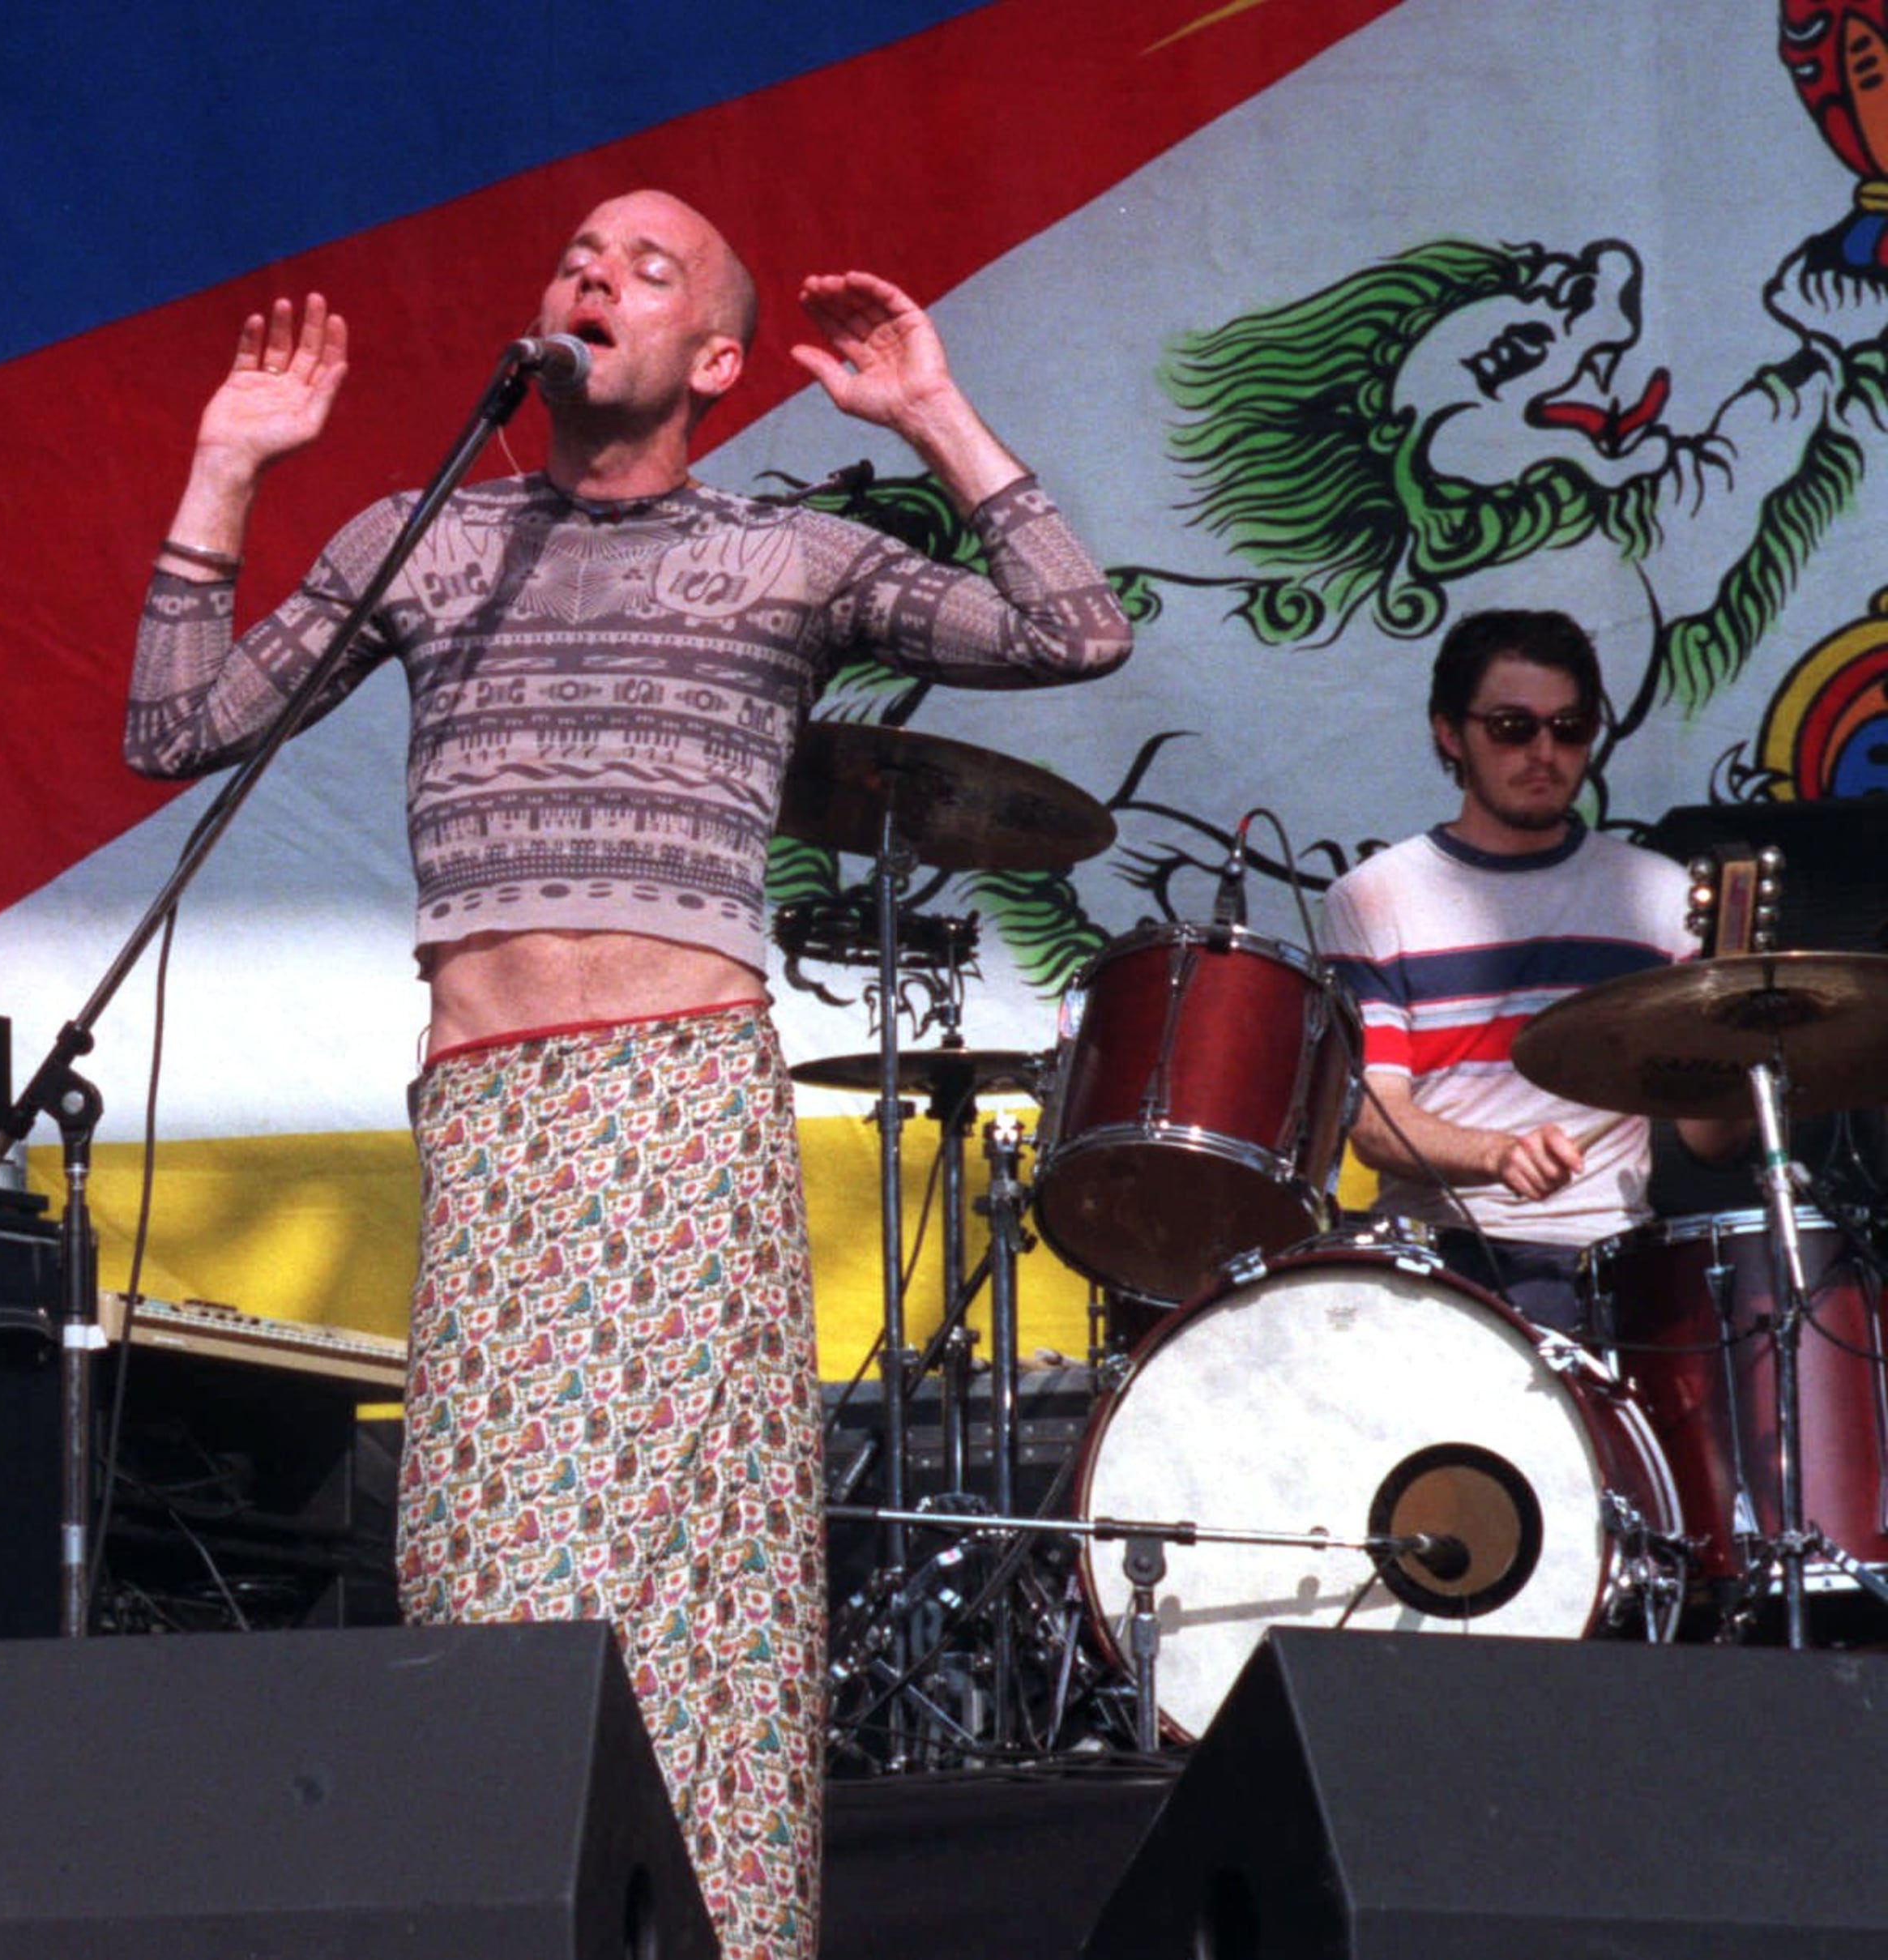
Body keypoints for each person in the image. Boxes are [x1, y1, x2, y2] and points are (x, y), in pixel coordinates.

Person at [125, 190, 1132, 1960]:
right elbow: (173, 732)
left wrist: (932, 417)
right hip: (498, 1120)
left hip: (676, 1103)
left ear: (718, 362)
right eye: (580, 257)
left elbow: (1075, 630)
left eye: (647, 268)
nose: (596, 276)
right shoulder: (428, 538)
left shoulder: (782, 557)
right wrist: (227, 468)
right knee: (489, 1580)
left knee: (688, 1595)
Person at [1320, 608, 1732, 1332]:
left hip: (1610, 1261)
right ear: (1450, 734)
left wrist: (1744, 1031)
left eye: (1569, 728)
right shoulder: (1376, 896)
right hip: (1439, 1269)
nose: (1544, 751)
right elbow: (1373, 1123)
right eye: (1513, 727)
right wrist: (1497, 1154)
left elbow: (1707, 1138)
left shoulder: (1661, 896)